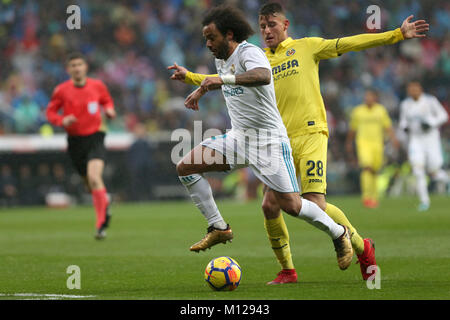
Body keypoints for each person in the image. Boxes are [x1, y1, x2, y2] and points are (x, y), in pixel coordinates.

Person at [169, 2, 429, 282]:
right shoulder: (255, 56)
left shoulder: (306, 47)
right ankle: (288, 270)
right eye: (263, 26)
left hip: (309, 134)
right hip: (267, 140)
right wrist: (192, 80)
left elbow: (351, 43)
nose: (267, 30)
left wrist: (395, 35)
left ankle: (360, 246)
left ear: (285, 25)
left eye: (272, 25)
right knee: (269, 206)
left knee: (312, 202)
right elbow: (222, 79)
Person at [172, 5, 354, 278]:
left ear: (229, 34)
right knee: (186, 166)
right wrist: (199, 87)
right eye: (205, 39)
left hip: (269, 142)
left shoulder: (249, 52)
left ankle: (338, 232)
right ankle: (219, 227)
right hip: (239, 138)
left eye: (212, 37)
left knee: (292, 206)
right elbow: (219, 81)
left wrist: (220, 80)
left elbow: (263, 75)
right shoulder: (221, 58)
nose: (208, 44)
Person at [46, 52, 116, 239]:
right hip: (75, 141)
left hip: (95, 137)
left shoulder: (97, 86)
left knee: (94, 178)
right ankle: (104, 205)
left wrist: (109, 110)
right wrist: (62, 120)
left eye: (79, 64)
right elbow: (50, 113)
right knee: (89, 184)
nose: (77, 68)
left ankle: (101, 225)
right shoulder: (61, 90)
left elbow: (106, 100)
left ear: (85, 67)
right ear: (68, 69)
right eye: (73, 65)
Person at [399, 81, 449, 211]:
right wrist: (405, 128)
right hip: (416, 140)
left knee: (434, 171)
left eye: (415, 88)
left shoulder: (430, 101)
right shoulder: (405, 104)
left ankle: (447, 181)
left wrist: (431, 123)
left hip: (431, 140)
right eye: (410, 89)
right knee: (418, 171)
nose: (413, 91)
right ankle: (424, 201)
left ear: (420, 89)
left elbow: (443, 115)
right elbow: (403, 121)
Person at [346, 90, 400, 208]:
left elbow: (387, 126)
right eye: (366, 96)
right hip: (363, 143)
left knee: (375, 170)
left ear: (375, 98)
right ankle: (366, 197)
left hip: (377, 144)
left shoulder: (381, 110)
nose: (367, 98)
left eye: (370, 96)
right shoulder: (358, 111)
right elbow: (352, 129)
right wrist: (349, 143)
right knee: (367, 167)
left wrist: (394, 139)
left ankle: (374, 197)